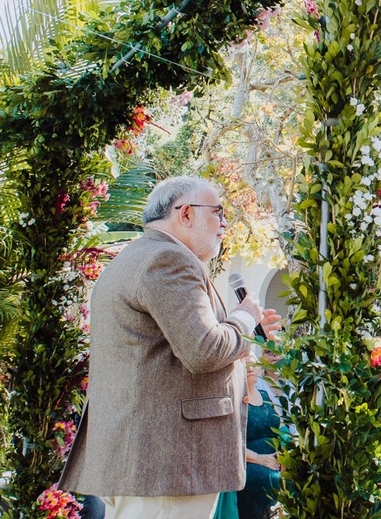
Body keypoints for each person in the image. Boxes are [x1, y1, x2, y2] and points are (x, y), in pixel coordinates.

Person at [61, 176, 281, 518]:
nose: (225, 223)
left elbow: (174, 349)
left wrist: (246, 330)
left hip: (146, 462)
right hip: (167, 465)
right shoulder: (168, 260)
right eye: (219, 212)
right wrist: (242, 317)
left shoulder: (137, 257)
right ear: (187, 214)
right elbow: (204, 350)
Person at [214, 353, 284, 519]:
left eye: (252, 365)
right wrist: (261, 458)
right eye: (245, 366)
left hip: (274, 461)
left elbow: (280, 431)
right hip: (247, 463)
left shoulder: (266, 396)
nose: (250, 369)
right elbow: (228, 443)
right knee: (274, 481)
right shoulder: (234, 400)